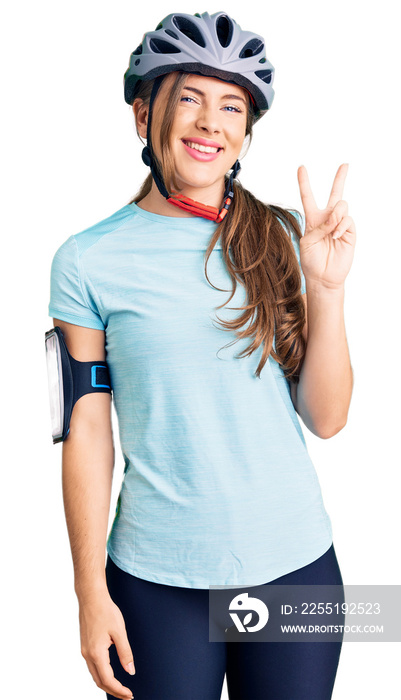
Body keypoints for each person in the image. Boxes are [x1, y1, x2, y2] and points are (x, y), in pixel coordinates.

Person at [47, 10, 356, 700]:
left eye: (230, 106)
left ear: (245, 131)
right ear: (142, 114)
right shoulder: (87, 260)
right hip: (157, 580)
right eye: (188, 97)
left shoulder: (280, 235)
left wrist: (326, 290)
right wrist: (88, 592)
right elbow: (85, 429)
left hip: (295, 565)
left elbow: (327, 418)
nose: (209, 121)